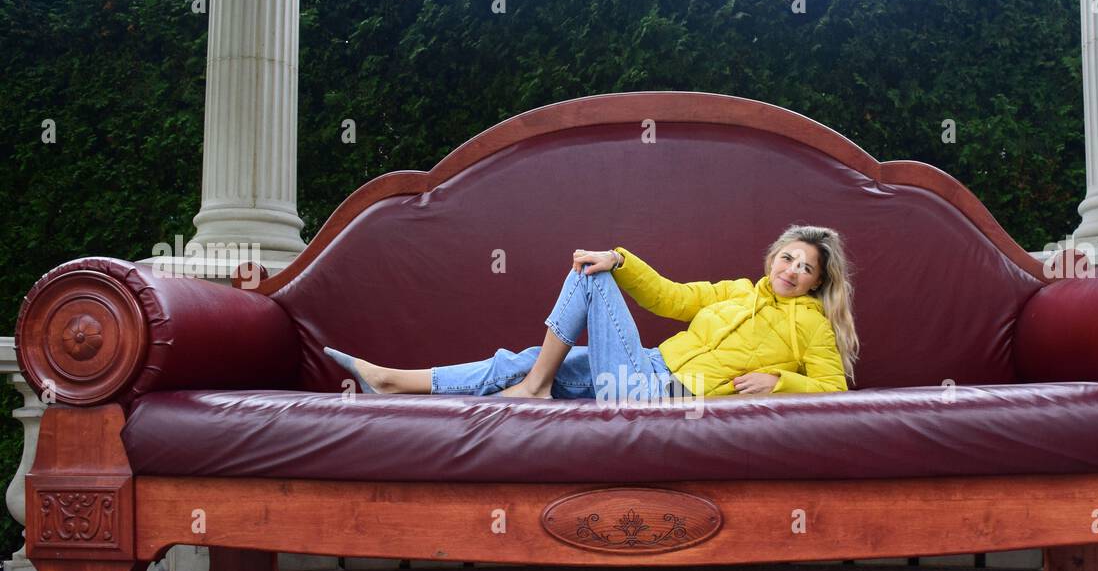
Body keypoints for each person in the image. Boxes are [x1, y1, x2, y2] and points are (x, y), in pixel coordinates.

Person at [322, 224, 860, 400]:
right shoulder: (736, 290)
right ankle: (391, 381)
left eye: (805, 267)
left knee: (593, 274)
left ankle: (535, 387)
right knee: (526, 357)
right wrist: (627, 260)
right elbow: (669, 297)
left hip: (662, 394)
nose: (791, 269)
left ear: (818, 281)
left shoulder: (810, 323)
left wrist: (779, 379)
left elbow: (835, 390)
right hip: (644, 364)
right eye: (787, 257)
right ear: (773, 257)